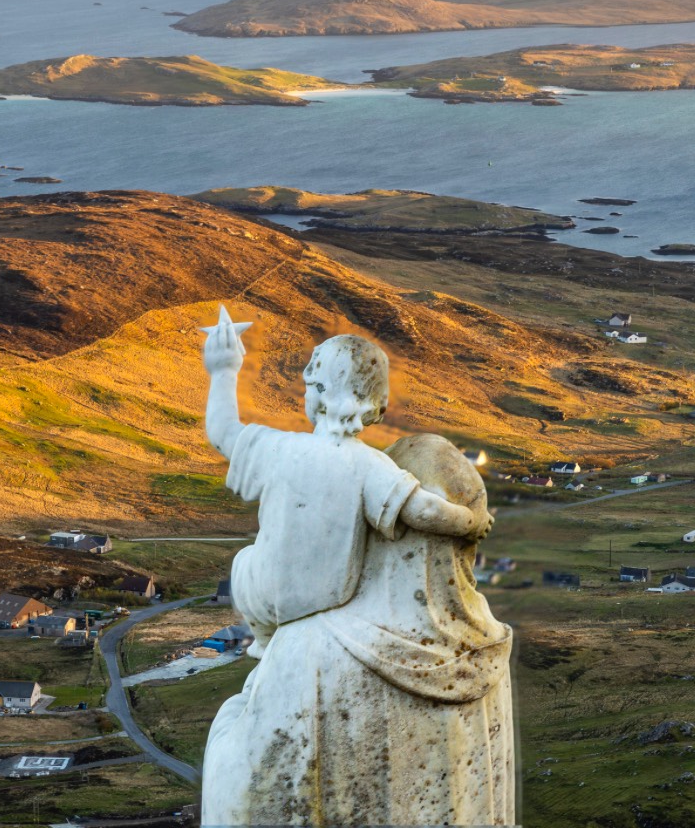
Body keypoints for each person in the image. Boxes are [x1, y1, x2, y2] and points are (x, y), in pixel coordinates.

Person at [197, 307, 514, 827]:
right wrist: (470, 522)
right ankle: (266, 640)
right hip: (325, 594)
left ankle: (262, 641)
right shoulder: (371, 466)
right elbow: (422, 511)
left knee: (244, 568)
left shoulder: (280, 449)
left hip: (263, 587)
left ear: (318, 394)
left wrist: (224, 369)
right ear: (373, 406)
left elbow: (223, 432)